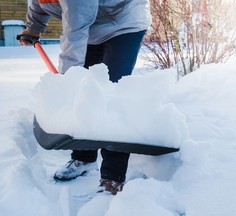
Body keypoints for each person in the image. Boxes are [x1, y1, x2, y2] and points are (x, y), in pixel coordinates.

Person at [19, 0, 151, 195]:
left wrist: (67, 81)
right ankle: (83, 158)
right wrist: (33, 28)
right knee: (84, 90)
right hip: (90, 26)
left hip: (123, 23)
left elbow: (75, 34)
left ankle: (112, 176)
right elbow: (39, 6)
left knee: (111, 93)